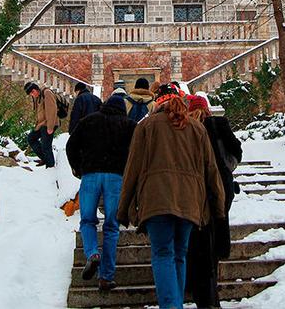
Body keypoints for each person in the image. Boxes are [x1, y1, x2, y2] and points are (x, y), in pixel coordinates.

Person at [117, 84, 226, 309]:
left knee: (163, 253)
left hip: (156, 201)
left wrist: (123, 208)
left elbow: (132, 170)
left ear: (157, 104)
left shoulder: (146, 126)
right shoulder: (197, 128)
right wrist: (218, 208)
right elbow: (211, 171)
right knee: (179, 254)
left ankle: (171, 306)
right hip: (189, 203)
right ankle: (174, 304)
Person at [66, 95, 136, 292]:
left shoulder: (89, 121)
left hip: (90, 175)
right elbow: (137, 151)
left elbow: (71, 146)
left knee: (87, 220)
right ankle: (106, 277)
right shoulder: (129, 125)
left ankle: (92, 254)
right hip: (116, 177)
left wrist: (78, 167)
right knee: (112, 226)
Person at [184, 94, 243, 308]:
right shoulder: (218, 124)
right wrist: (228, 167)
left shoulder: (187, 126)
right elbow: (237, 151)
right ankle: (210, 292)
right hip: (221, 188)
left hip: (197, 189)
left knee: (199, 242)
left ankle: (202, 291)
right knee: (214, 239)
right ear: (207, 109)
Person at [24, 82, 58, 168]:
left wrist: (50, 127)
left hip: (49, 123)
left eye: (32, 93)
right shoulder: (38, 97)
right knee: (31, 138)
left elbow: (52, 110)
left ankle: (50, 166)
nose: (32, 95)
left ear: (35, 90)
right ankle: (46, 159)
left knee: (46, 146)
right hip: (41, 124)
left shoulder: (47, 93)